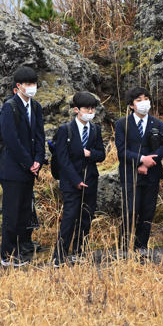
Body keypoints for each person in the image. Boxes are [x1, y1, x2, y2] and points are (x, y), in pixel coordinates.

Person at [0, 66, 45, 267]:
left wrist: (38, 160)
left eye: (34, 83)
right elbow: (10, 139)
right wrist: (27, 161)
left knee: (25, 210)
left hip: (30, 168)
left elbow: (40, 136)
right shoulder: (10, 106)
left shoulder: (37, 106)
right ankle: (7, 255)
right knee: (11, 212)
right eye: (28, 84)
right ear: (18, 86)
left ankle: (22, 246)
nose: (32, 87)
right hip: (13, 168)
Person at [115, 86, 163, 257]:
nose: (144, 102)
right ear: (131, 105)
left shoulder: (157, 123)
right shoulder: (122, 124)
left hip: (152, 174)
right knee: (130, 210)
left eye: (146, 98)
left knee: (147, 211)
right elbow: (122, 151)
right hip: (130, 174)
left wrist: (149, 162)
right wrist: (140, 159)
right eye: (139, 100)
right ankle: (124, 247)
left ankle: (141, 246)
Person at [52, 92, 106, 267]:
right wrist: (76, 180)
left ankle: (79, 251)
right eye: (86, 109)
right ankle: (59, 256)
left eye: (92, 109)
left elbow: (101, 155)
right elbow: (62, 158)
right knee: (69, 218)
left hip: (90, 179)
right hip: (71, 182)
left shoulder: (96, 130)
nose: (90, 112)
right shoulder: (65, 129)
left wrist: (89, 154)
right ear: (77, 110)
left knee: (86, 218)